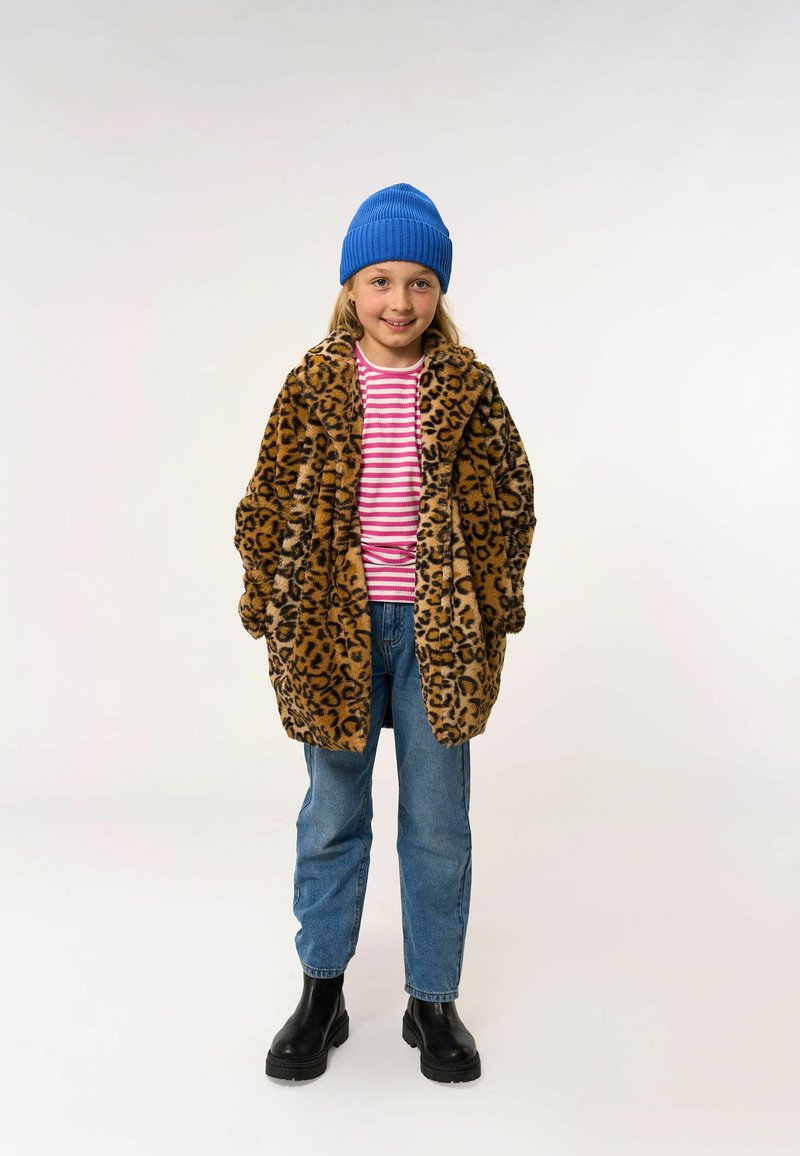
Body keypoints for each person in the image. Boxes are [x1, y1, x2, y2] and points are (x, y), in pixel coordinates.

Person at [234, 182, 536, 1083]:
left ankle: (432, 1000)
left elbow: (510, 500)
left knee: (438, 822)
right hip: (334, 626)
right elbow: (265, 497)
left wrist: (495, 604)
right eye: (380, 280)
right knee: (333, 815)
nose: (399, 302)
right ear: (351, 288)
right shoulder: (314, 382)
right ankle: (321, 993)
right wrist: (266, 595)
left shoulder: (468, 387)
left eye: (419, 283)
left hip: (440, 632)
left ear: (439, 291)